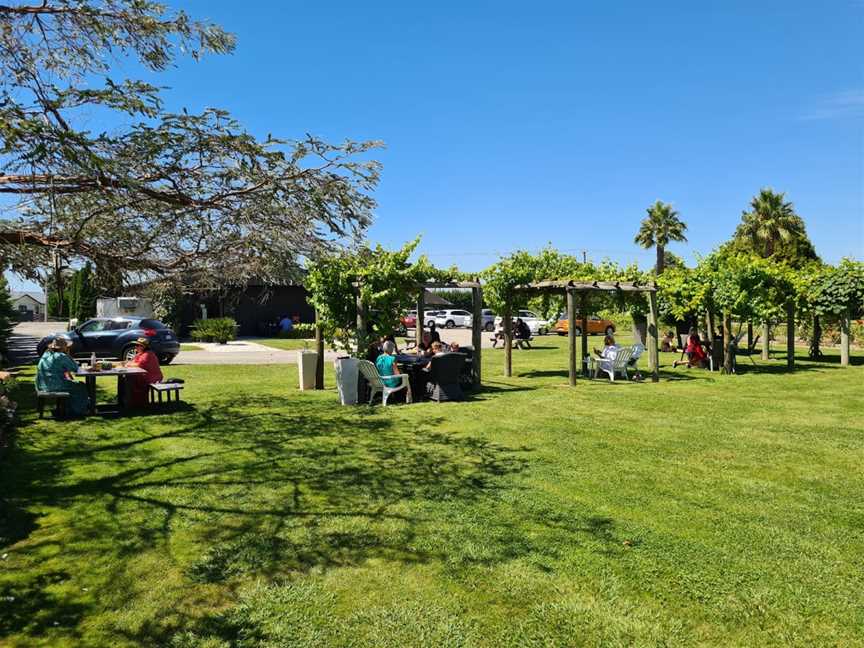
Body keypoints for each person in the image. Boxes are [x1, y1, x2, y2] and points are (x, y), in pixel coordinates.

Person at [36, 338, 88, 416]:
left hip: (42, 384)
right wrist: (68, 355)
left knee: (73, 385)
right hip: (56, 385)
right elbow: (75, 368)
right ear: (64, 348)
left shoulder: (46, 354)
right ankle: (78, 410)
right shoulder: (61, 356)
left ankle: (69, 408)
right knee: (81, 386)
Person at [123, 337, 164, 407]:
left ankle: (137, 403)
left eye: (138, 345)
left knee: (130, 379)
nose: (136, 347)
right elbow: (132, 362)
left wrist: (128, 365)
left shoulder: (147, 354)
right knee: (126, 378)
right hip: (144, 374)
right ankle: (129, 401)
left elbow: (139, 365)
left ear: (143, 347)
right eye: (136, 345)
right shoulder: (141, 354)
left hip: (152, 377)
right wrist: (128, 364)